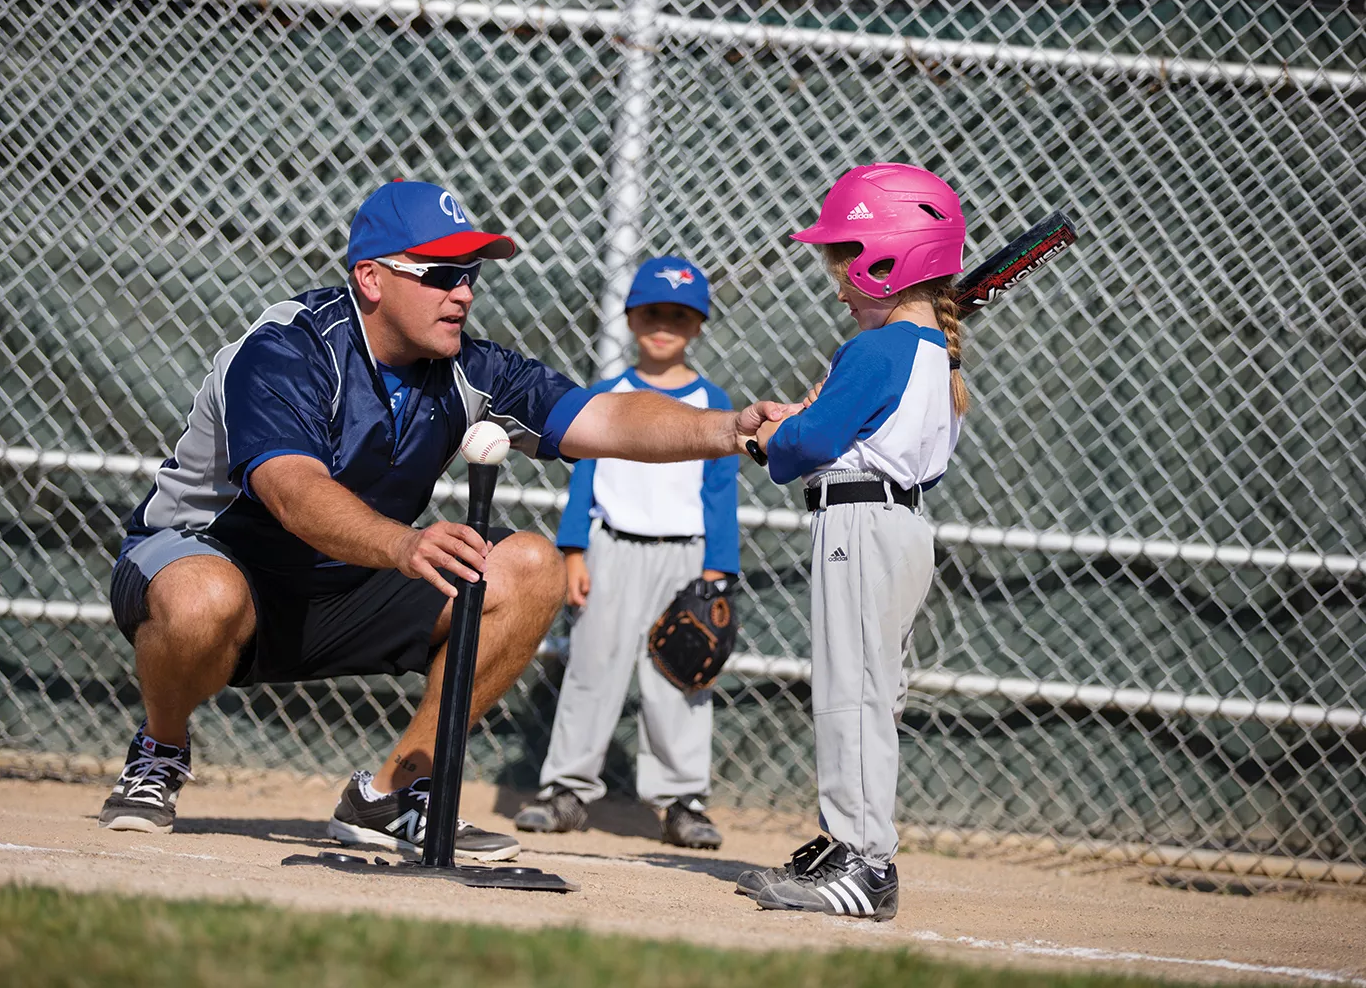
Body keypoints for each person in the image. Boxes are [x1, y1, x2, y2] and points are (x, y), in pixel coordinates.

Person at [98, 180, 792, 861]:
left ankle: (392, 795)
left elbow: (601, 416)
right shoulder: (288, 350)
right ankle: (162, 745)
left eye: (470, 273)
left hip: (349, 583)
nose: (462, 291)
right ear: (370, 279)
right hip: (218, 562)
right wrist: (403, 543)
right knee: (202, 599)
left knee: (528, 567)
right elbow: (292, 491)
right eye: (440, 272)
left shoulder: (468, 365)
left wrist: (730, 427)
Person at [735, 163, 970, 917]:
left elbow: (802, 451)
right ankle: (853, 844)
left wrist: (776, 435)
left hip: (859, 526)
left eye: (847, 263)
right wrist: (802, 422)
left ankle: (864, 863)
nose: (839, 284)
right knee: (873, 693)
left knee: (850, 695)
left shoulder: (874, 351)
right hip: (900, 529)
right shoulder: (934, 352)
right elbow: (838, 432)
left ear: (888, 258)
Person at [512, 257, 739, 850]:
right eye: (653, 312)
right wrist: (574, 551)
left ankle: (680, 799)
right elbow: (583, 478)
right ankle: (566, 789)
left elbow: (720, 492)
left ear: (698, 325)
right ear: (632, 317)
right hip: (611, 548)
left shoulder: (713, 402)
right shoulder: (606, 395)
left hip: (684, 557)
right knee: (591, 670)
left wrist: (717, 569)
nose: (664, 324)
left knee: (680, 677)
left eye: (680, 315)